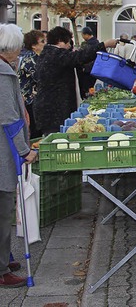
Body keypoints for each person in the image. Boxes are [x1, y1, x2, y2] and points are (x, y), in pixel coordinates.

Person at [0, 23, 39, 288]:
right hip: (3, 152)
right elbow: (9, 118)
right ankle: (1, 269)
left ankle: (4, 256)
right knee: (3, 208)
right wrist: (25, 151)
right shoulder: (3, 74)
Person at [33, 27, 117, 135]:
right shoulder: (55, 55)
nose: (69, 46)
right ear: (59, 41)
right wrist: (104, 44)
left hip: (49, 110)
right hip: (53, 112)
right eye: (68, 43)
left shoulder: (48, 53)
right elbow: (79, 57)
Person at [18, 30, 45, 138]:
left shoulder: (37, 57)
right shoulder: (30, 60)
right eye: (42, 41)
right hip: (30, 100)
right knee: (35, 128)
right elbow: (41, 78)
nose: (45, 44)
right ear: (34, 45)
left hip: (35, 99)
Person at [78, 27, 99, 99]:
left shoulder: (89, 44)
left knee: (87, 88)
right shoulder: (96, 42)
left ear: (86, 34)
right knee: (90, 87)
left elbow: (84, 56)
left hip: (87, 69)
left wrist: (84, 67)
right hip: (94, 69)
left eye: (82, 35)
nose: (83, 37)